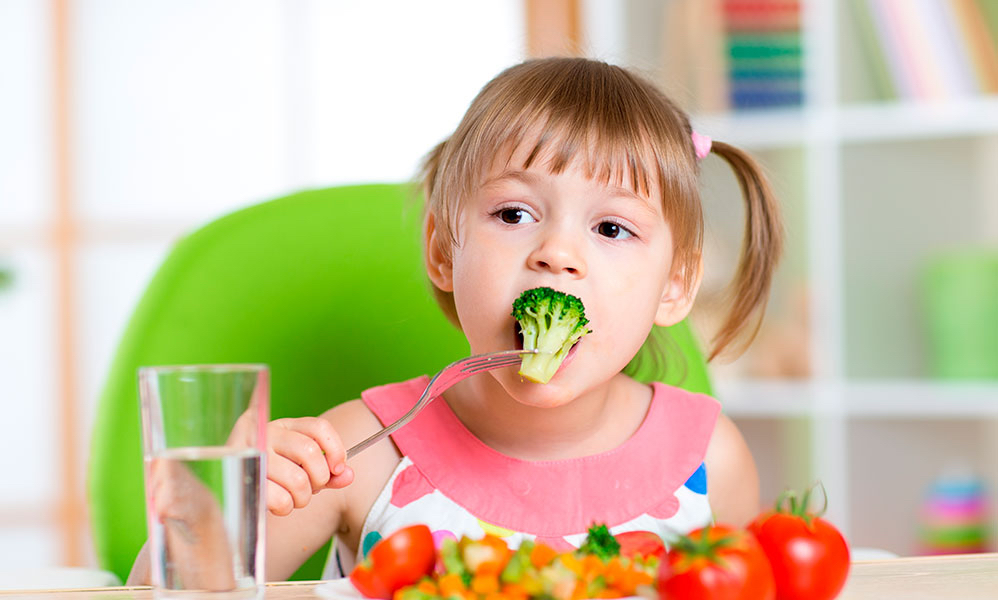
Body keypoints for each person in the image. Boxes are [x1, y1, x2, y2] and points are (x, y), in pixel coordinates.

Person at [129, 56, 783, 585]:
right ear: (445, 252)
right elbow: (178, 592)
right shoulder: (363, 452)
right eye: (515, 215)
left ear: (675, 287)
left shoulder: (711, 460)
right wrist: (216, 506)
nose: (556, 254)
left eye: (612, 227)